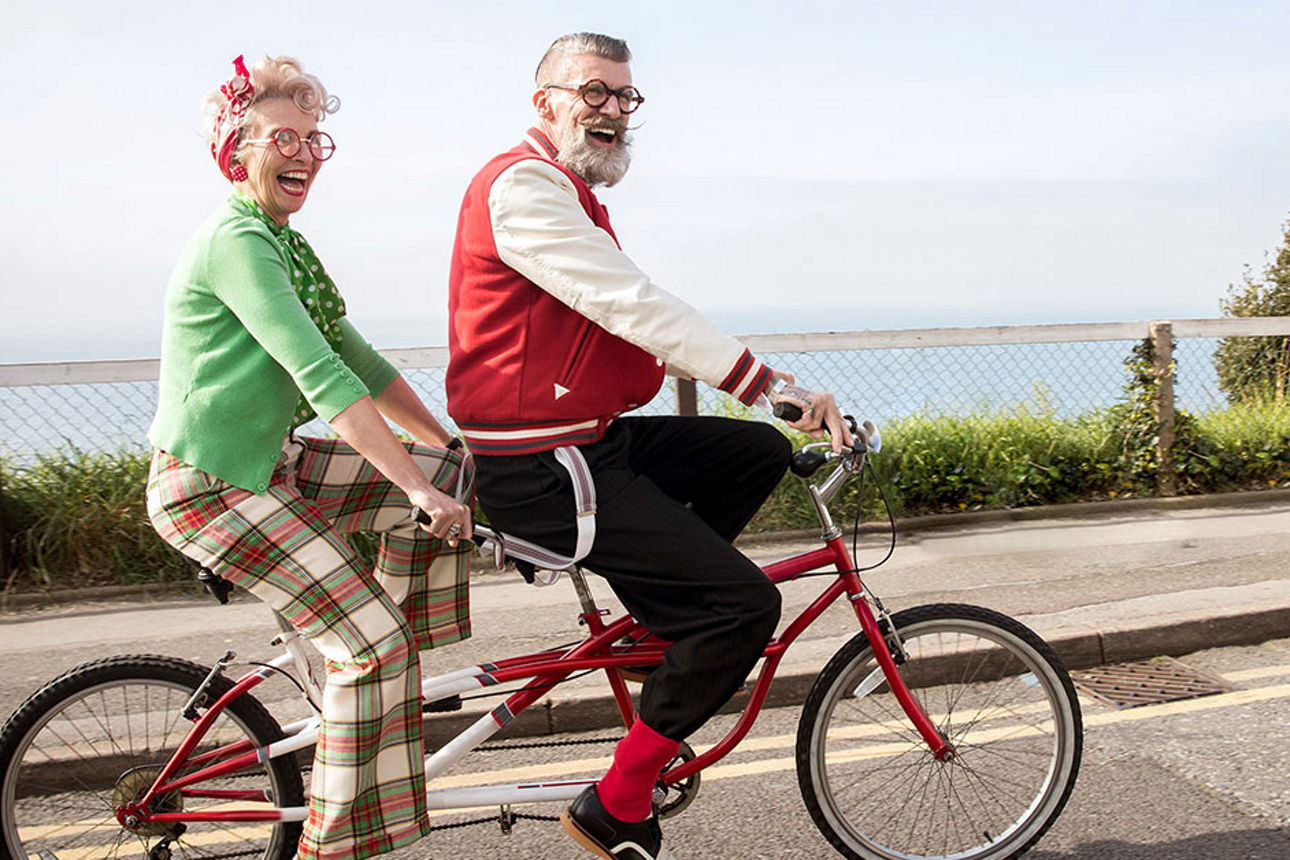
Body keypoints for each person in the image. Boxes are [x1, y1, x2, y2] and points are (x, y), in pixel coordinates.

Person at [446, 32, 851, 860]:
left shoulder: (568, 193)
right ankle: (618, 800)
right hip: (546, 470)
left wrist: (768, 415)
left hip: (587, 445)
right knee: (745, 607)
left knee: (751, 455)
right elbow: (631, 304)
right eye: (593, 93)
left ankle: (664, 627)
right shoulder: (524, 189)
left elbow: (628, 324)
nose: (613, 113)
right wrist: (771, 386)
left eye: (624, 99)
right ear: (545, 102)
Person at [145, 55, 473, 860]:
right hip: (211, 488)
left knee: (451, 471)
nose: (302, 154)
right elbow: (320, 376)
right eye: (282, 138)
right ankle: (341, 837)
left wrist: (443, 447)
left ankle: (391, 689)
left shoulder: (285, 244)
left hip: (271, 468)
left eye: (315, 140)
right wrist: (410, 482)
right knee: (372, 643)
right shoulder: (236, 241)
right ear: (237, 152)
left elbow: (358, 359)